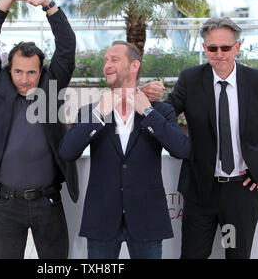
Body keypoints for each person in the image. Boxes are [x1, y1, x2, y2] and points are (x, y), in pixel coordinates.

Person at [141, 17, 258, 259]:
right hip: (200, 192)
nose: (219, 54)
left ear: (238, 47)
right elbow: (165, 114)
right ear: (204, 49)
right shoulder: (190, 80)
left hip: (240, 194)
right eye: (213, 48)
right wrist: (143, 96)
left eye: (225, 48)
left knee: (236, 255)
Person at [0, 0, 78, 259]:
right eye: (18, 71)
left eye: (31, 72)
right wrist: (7, 0)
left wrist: (49, 5)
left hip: (48, 202)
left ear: (42, 72)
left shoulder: (51, 87)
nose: (25, 79)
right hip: (7, 204)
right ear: (9, 68)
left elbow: (67, 46)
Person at [58, 41, 191, 259]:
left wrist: (147, 111)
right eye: (105, 60)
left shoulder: (160, 111)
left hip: (147, 218)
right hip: (101, 219)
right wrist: (99, 113)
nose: (107, 65)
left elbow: (181, 149)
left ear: (134, 66)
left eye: (114, 59)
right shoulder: (91, 112)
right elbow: (67, 152)